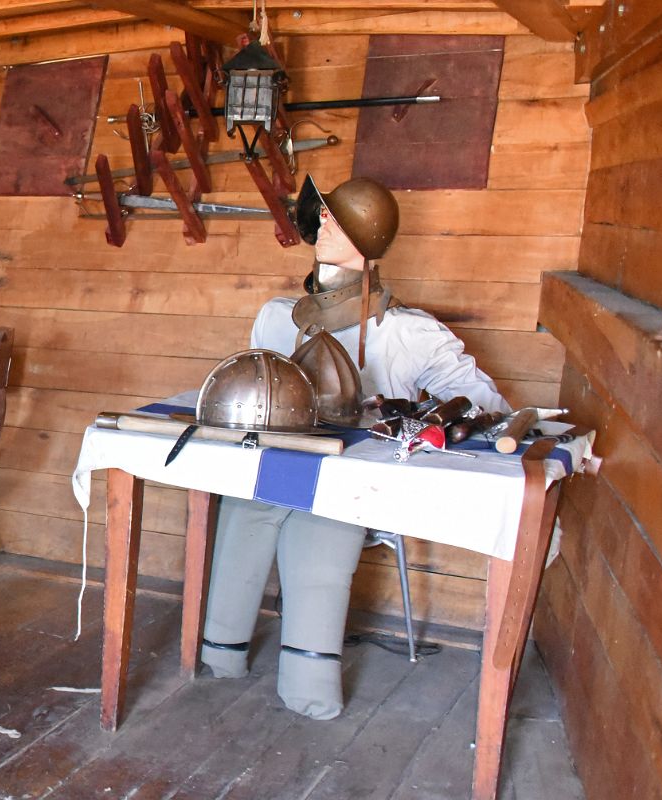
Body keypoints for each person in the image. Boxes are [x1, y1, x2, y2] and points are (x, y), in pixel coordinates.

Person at [200, 174, 511, 720]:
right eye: (321, 214)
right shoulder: (276, 316)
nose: (322, 223)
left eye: (336, 218)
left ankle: (309, 683)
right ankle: (219, 656)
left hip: (352, 483)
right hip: (274, 465)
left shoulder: (406, 333)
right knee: (241, 513)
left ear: (367, 237)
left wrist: (417, 412)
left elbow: (484, 402)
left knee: (322, 529)